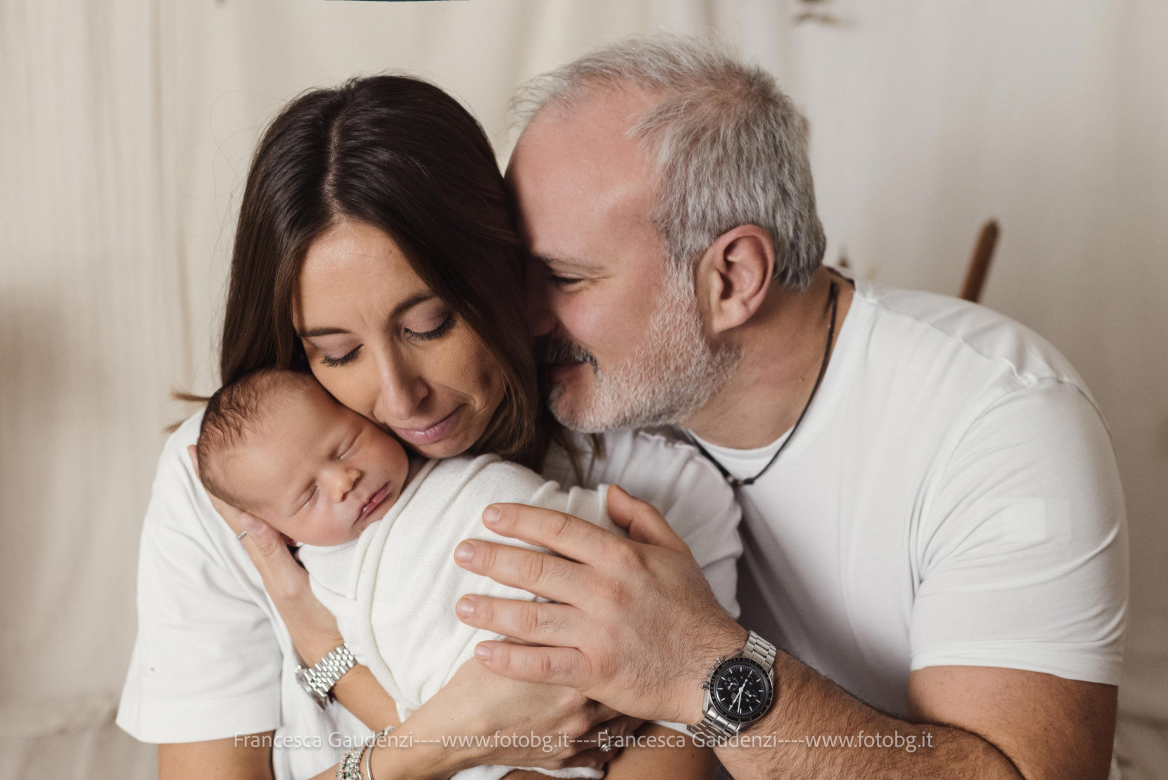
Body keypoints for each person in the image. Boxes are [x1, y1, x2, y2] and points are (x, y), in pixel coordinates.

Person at [451, 36, 1128, 779]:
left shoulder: (1000, 420)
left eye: (562, 277)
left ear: (734, 277)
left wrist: (701, 667)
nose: (522, 315)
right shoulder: (586, 402)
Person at [116, 74, 741, 779]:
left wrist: (325, 650)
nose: (399, 396)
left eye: (429, 325)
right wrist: (450, 737)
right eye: (339, 352)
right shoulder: (235, 484)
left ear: (503, 272)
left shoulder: (654, 488)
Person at [193, 367, 729, 779]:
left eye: (346, 445)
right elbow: (417, 708)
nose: (344, 479)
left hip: (615, 655)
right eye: (308, 494)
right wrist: (318, 638)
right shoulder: (324, 575)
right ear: (282, 533)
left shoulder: (444, 464)